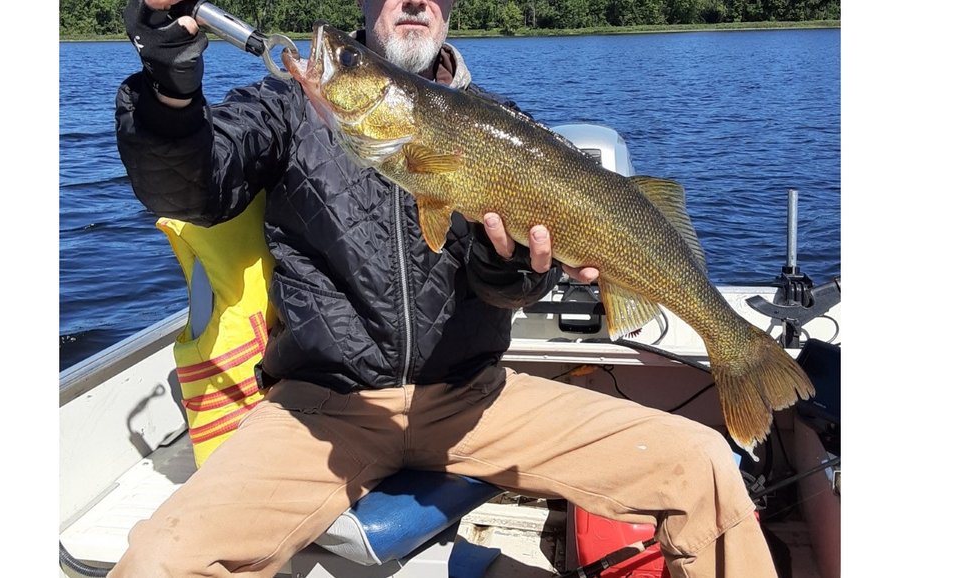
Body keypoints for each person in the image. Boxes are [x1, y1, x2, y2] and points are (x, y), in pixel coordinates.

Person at [112, 1, 779, 576]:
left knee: (701, 464)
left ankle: (739, 351)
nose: (413, 0)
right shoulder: (287, 109)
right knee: (159, 560)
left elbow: (516, 290)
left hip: (474, 398)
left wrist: (511, 270)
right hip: (323, 410)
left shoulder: (505, 127)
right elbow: (188, 188)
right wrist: (169, 88)